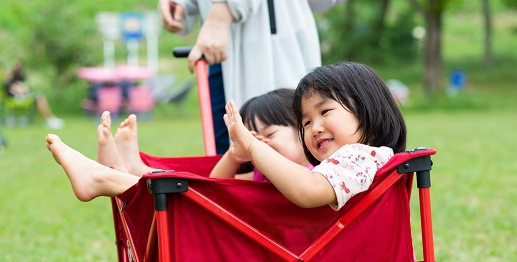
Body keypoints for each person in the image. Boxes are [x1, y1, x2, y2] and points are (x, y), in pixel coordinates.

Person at [46, 62, 406, 212]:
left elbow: (308, 192)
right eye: (306, 121)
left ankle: (109, 177)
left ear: (369, 109)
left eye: (325, 112)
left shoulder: (362, 157)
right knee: (193, 199)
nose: (314, 128)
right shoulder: (349, 165)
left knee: (186, 207)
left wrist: (249, 145)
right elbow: (217, 193)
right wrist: (237, 154)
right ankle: (124, 172)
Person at [158, 0, 321, 155]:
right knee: (234, 149)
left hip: (260, 34)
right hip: (224, 42)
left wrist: (219, 18)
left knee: (273, 137)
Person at [209, 88, 310, 180]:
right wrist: (232, 157)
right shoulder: (262, 176)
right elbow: (216, 187)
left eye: (270, 134)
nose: (259, 144)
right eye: (253, 139)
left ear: (301, 129)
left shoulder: (319, 174)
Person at [4, 60, 64, 129]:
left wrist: (25, 90)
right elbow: (13, 89)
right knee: (39, 98)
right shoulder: (10, 79)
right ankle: (49, 119)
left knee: (40, 97)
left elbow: (25, 88)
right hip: (16, 98)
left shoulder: (22, 77)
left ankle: (49, 118)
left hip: (24, 96)